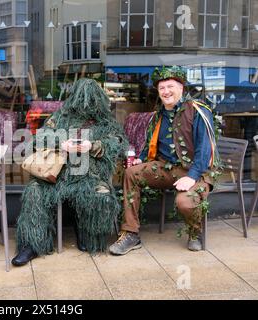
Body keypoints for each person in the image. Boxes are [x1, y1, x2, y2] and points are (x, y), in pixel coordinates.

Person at [12, 78, 127, 266]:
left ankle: (88, 233)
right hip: (57, 176)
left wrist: (93, 145)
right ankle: (32, 243)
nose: (85, 104)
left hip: (90, 176)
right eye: (82, 99)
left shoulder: (106, 122)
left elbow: (118, 144)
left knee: (100, 195)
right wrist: (61, 143)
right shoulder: (60, 117)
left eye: (90, 100)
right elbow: (39, 138)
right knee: (34, 191)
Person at [109, 66, 219, 255]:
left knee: (185, 202)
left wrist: (192, 176)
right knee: (131, 173)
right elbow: (150, 144)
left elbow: (205, 150)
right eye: (162, 88)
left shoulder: (199, 111)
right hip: (166, 168)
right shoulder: (158, 115)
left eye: (170, 86)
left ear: (181, 88)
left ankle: (195, 232)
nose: (166, 92)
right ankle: (131, 233)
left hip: (197, 171)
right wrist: (141, 159)